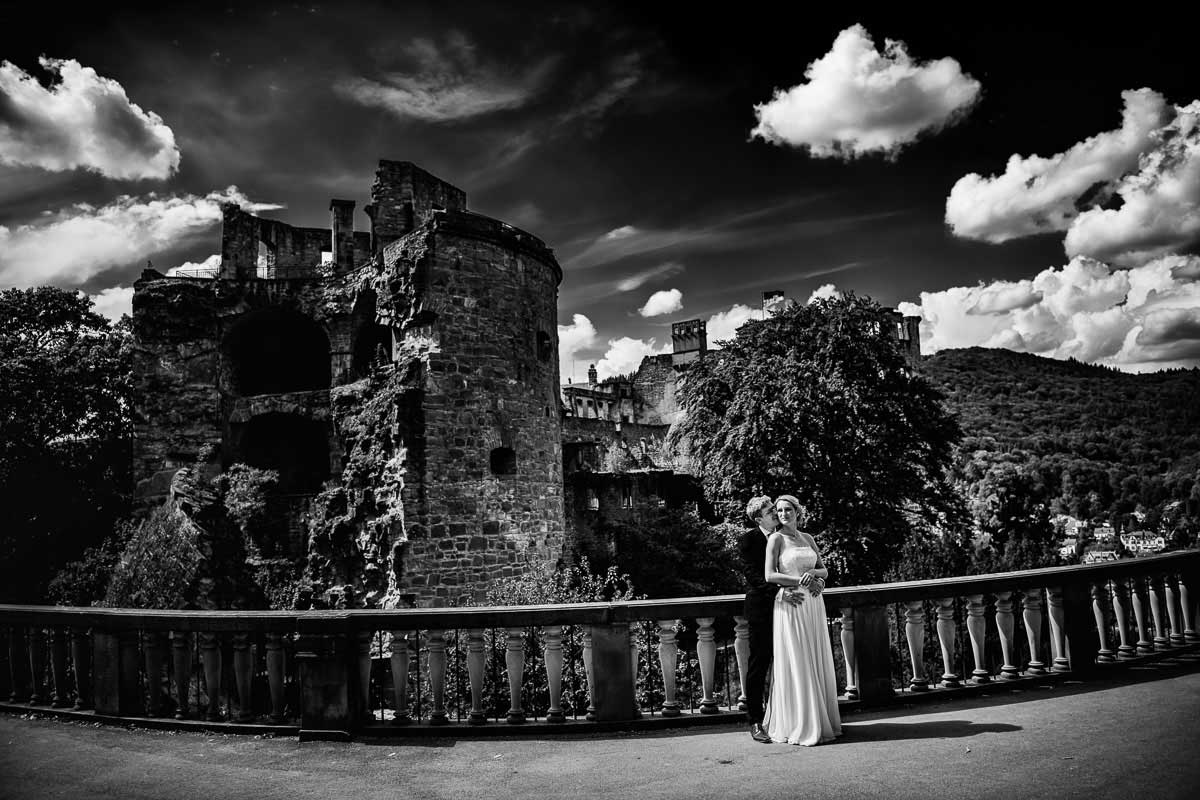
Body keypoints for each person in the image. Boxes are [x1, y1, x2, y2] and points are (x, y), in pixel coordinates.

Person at [762, 494, 842, 746]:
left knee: (815, 656)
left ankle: (821, 718)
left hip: (814, 603)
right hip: (792, 604)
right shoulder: (776, 539)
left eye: (788, 509)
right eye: (779, 511)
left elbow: (824, 570)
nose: (783, 514)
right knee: (799, 658)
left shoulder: (808, 538)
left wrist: (814, 575)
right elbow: (769, 575)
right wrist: (801, 580)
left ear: (797, 512)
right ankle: (801, 723)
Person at [739, 495, 804, 743]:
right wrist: (779, 593)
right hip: (763, 611)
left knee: (790, 662)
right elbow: (753, 576)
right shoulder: (749, 540)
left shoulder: (785, 536)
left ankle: (791, 718)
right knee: (759, 665)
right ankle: (756, 721)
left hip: (791, 611)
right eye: (770, 511)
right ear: (759, 519)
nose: (776, 513)